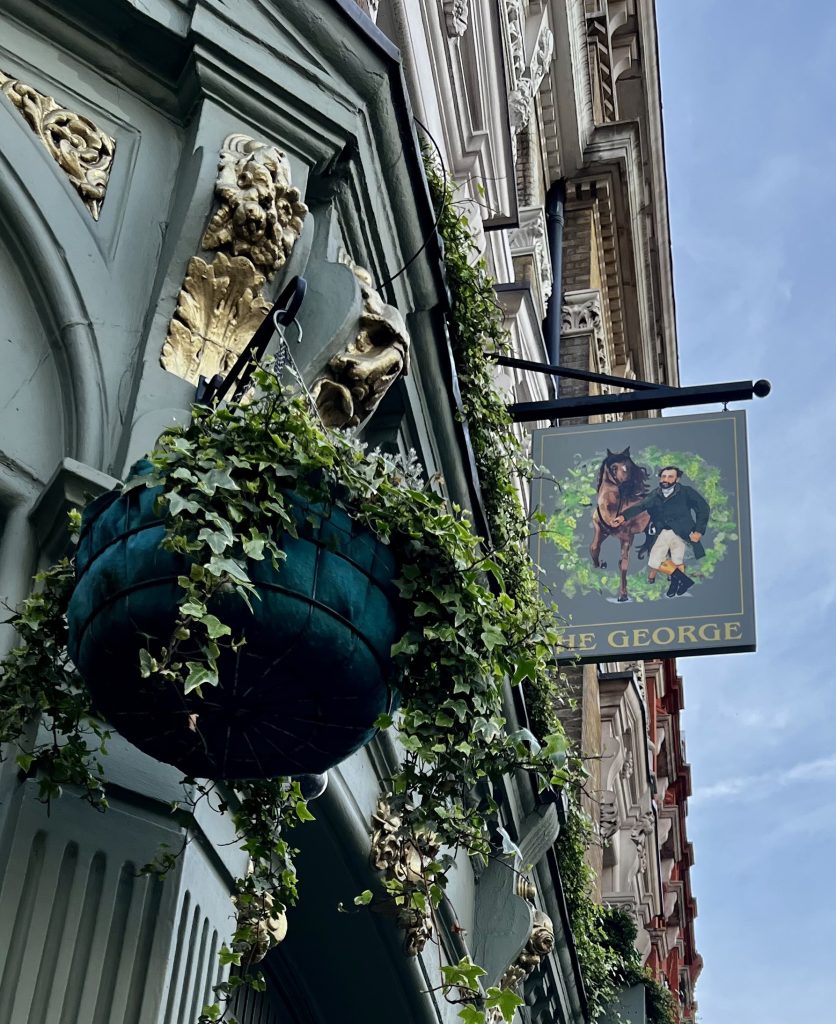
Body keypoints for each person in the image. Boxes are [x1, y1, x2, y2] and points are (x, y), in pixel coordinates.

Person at [612, 466, 709, 597]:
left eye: (670, 477)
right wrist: (623, 517)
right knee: (655, 560)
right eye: (663, 476)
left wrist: (699, 531)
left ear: (677, 479)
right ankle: (684, 581)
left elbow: (703, 508)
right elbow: (641, 506)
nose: (666, 479)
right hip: (662, 532)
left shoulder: (686, 492)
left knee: (677, 559)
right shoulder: (655, 494)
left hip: (682, 532)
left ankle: (675, 584)